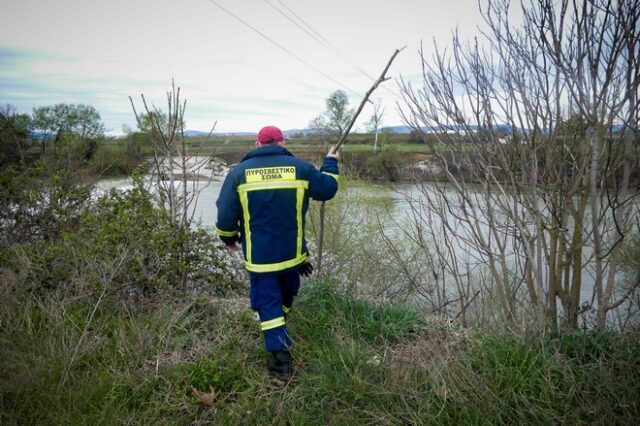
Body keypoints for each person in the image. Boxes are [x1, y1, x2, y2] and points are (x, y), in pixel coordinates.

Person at [215, 125, 340, 380]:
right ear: (282, 143)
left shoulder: (238, 173)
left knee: (269, 304)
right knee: (283, 297)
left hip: (261, 259)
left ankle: (280, 360)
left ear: (257, 144)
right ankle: (279, 332)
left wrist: (228, 239)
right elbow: (327, 189)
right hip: (293, 255)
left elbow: (226, 213)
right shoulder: (301, 169)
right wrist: (331, 161)